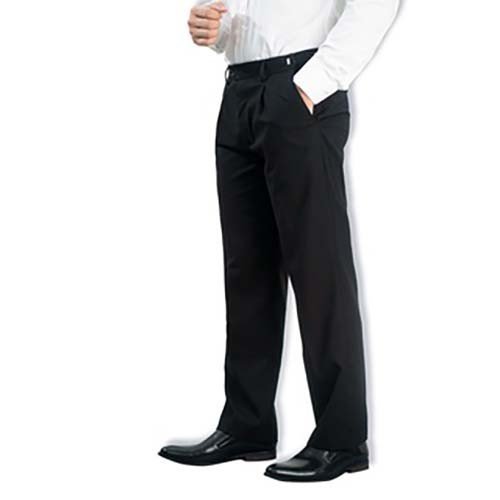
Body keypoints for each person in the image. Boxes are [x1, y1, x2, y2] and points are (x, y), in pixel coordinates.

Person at [158, 0, 399, 482]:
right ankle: (246, 426)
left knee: (319, 270)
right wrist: (217, 30)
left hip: (300, 86)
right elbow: (250, 20)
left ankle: (341, 440)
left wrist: (312, 84)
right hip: (240, 88)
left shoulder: (306, 86)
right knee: (247, 270)